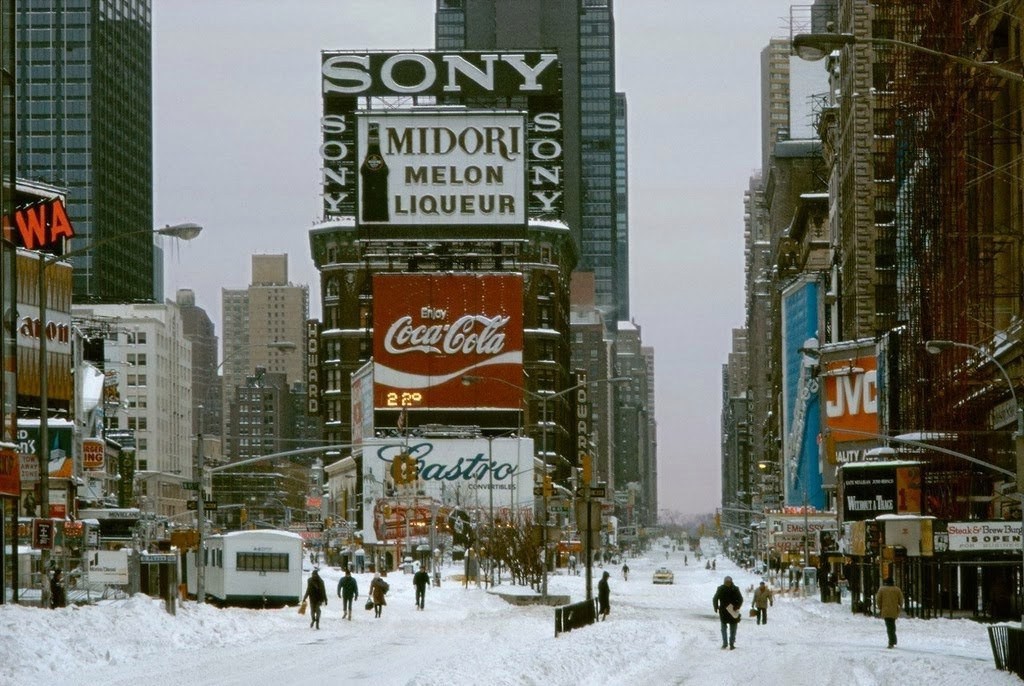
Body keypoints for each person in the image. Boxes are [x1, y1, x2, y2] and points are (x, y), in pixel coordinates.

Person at [712, 575, 743, 650]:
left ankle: (731, 643)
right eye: (726, 582)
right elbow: (715, 598)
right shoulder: (720, 589)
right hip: (723, 611)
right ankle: (725, 643)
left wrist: (737, 606)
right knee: (723, 628)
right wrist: (716, 607)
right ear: (724, 582)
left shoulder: (735, 589)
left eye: (729, 582)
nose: (728, 583)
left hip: (733, 611)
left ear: (731, 582)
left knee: (733, 628)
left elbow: (740, 599)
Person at [875, 577, 904, 649]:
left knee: (889, 626)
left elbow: (878, 600)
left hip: (885, 610)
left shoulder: (882, 589)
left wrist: (880, 607)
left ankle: (891, 642)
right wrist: (899, 607)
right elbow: (901, 600)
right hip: (894, 610)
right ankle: (893, 640)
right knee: (892, 624)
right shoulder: (897, 589)